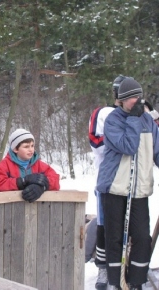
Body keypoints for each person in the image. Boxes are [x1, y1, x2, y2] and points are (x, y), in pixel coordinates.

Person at [96, 78, 159, 290]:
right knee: (115, 238)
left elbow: (157, 151)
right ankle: (116, 280)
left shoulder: (148, 121)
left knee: (141, 237)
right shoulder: (113, 120)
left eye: (138, 96)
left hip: (139, 190)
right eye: (131, 97)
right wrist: (133, 119)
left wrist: (141, 118)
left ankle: (137, 280)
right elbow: (128, 146)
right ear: (121, 101)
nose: (136, 101)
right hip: (115, 188)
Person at [88, 75, 127, 290]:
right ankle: (103, 267)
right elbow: (95, 141)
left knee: (128, 226)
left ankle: (125, 267)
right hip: (108, 178)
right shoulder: (103, 113)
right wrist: (120, 140)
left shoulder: (139, 114)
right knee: (105, 224)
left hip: (132, 180)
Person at [0, 129, 60, 202]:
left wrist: (42, 187)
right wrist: (22, 182)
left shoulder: (39, 164)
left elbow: (55, 180)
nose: (31, 150)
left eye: (32, 146)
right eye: (26, 147)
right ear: (15, 149)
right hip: (11, 207)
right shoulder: (5, 165)